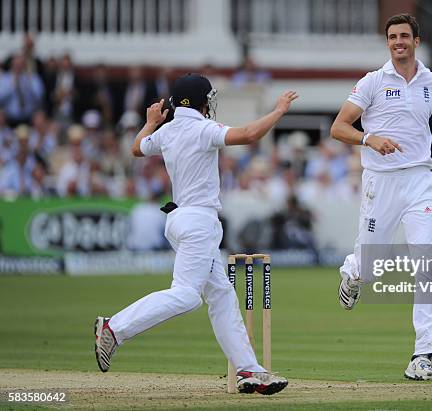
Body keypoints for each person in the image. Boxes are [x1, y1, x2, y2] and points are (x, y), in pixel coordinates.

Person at [93, 73, 298, 395]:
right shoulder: (204, 129)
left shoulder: (167, 131)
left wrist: (150, 122)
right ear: (204, 101)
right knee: (187, 296)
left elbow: (136, 148)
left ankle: (249, 371)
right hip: (198, 223)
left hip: (180, 220)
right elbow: (248, 135)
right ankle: (114, 327)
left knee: (221, 295)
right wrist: (279, 111)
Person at [330, 14, 432, 381]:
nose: (397, 42)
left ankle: (424, 354)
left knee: (426, 260)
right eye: (392, 37)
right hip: (380, 182)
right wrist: (368, 138)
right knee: (372, 266)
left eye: (404, 36)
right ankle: (353, 273)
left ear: (416, 41)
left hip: (419, 179)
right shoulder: (373, 82)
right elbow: (338, 127)